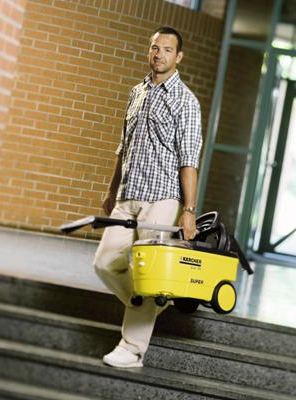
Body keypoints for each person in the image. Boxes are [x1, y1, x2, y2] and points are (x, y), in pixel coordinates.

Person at [93, 26, 202, 368]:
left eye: (167, 50)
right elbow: (122, 147)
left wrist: (189, 210)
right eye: (155, 48)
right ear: (149, 51)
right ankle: (153, 302)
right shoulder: (136, 92)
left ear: (178, 57)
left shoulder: (186, 101)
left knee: (144, 272)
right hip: (128, 195)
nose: (159, 54)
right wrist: (112, 189)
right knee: (105, 262)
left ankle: (132, 349)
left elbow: (189, 159)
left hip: (162, 199)